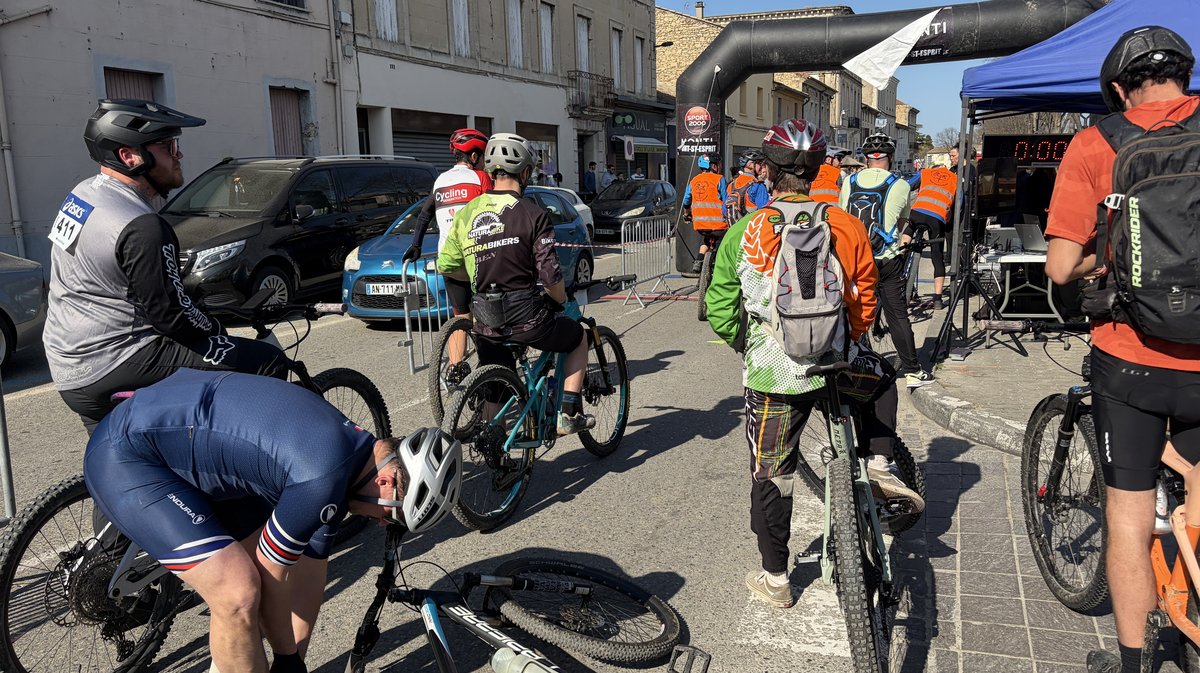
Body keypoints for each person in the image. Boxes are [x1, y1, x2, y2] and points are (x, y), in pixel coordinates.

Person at [84, 368, 462, 673]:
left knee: (248, 594)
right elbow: (270, 571)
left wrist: (294, 658)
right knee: (238, 592)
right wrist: (284, 658)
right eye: (391, 516)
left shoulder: (351, 462)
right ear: (386, 480)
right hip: (128, 455)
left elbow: (311, 574)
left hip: (186, 441)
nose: (383, 524)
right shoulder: (323, 478)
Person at [705, 118, 924, 609]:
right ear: (819, 169)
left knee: (771, 475)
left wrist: (753, 345)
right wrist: (848, 340)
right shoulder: (844, 224)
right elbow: (864, 297)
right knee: (883, 378)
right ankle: (881, 464)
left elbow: (720, 309)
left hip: (773, 377)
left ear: (766, 171)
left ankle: (776, 579)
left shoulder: (745, 230)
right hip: (839, 365)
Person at [1042, 26, 1199, 673]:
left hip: (1129, 357)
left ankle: (1133, 662)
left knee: (1129, 519)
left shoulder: (1095, 143)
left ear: (1116, 89)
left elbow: (1059, 266)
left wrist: (1106, 257)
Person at [43, 99, 288, 434]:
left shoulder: (82, 194)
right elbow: (172, 317)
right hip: (116, 359)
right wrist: (215, 326)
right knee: (266, 361)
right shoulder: (141, 226)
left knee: (123, 465)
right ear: (130, 156)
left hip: (68, 363)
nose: (179, 155)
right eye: (168, 146)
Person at [438, 133, 595, 435]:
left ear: (491, 172)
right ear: (524, 173)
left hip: (485, 319)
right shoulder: (533, 214)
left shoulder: (467, 214)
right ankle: (568, 412)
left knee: (496, 380)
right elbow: (550, 276)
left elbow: (447, 266)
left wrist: (475, 279)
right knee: (577, 337)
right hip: (528, 317)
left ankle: (493, 443)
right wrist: (559, 300)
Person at [840, 133, 933, 388]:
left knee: (850, 309)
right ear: (890, 158)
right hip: (885, 259)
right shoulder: (900, 185)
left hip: (856, 260)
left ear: (867, 158)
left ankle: (847, 362)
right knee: (897, 314)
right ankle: (913, 371)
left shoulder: (849, 181)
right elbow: (903, 223)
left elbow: (844, 219)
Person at [403, 128, 493, 385]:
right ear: (474, 156)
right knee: (491, 316)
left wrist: (416, 246)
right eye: (483, 155)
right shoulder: (480, 179)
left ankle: (454, 369)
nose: (485, 160)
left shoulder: (440, 181)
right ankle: (491, 371)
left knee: (461, 315)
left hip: (448, 260)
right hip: (477, 260)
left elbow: (424, 214)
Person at [906, 164, 959, 309]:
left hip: (917, 212)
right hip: (937, 219)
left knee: (907, 234)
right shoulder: (955, 179)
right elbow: (958, 206)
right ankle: (937, 299)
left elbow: (905, 187)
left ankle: (900, 260)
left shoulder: (925, 172)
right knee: (937, 256)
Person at [682, 153, 729, 273]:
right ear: (713, 166)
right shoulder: (719, 179)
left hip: (700, 225)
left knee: (707, 240)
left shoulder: (694, 181)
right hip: (718, 224)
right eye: (718, 164)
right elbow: (726, 200)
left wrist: (687, 213)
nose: (720, 166)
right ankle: (718, 266)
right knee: (721, 242)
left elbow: (686, 200)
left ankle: (699, 260)